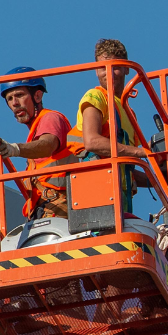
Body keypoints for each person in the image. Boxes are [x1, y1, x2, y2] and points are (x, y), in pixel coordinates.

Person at [66, 39, 154, 215]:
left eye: (114, 66)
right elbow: (92, 142)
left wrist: (160, 180)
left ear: (126, 69)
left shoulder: (128, 113)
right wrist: (143, 152)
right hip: (97, 194)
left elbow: (126, 168)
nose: (108, 73)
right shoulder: (96, 96)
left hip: (120, 196)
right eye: (101, 67)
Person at [0, 66, 76, 221]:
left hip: (57, 210)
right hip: (45, 210)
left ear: (37, 96)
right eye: (9, 99)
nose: (14, 103)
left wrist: (15, 149)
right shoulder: (35, 131)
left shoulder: (50, 118)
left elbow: (47, 145)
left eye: (19, 95)